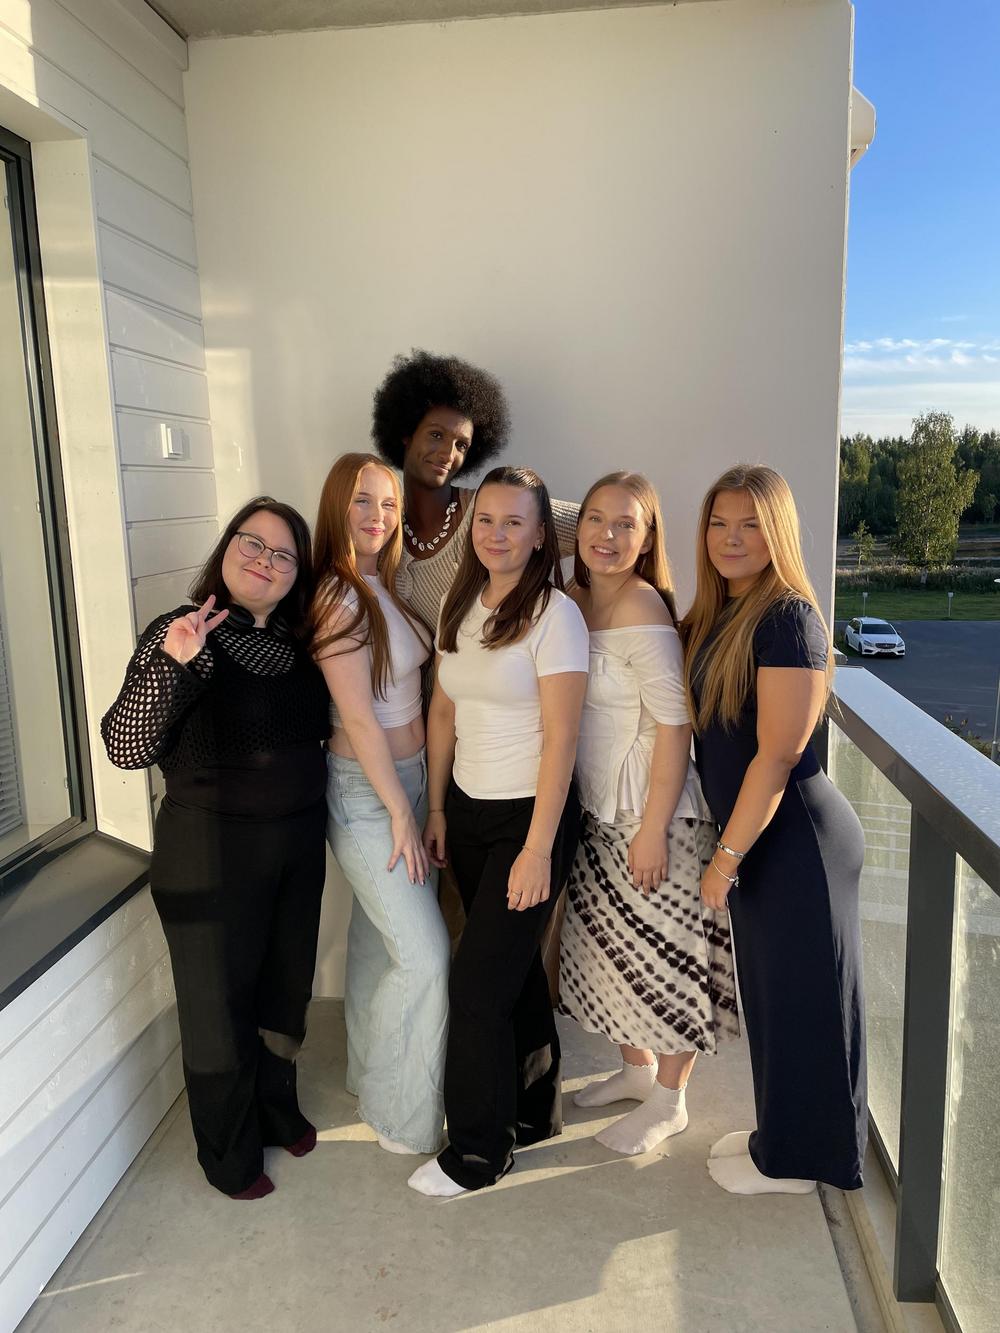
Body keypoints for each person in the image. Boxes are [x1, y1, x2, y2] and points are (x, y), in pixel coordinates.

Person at [101, 499, 330, 1200]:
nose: (264, 560)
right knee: (217, 1007)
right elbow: (125, 746)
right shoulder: (184, 630)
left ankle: (274, 1108)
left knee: (283, 987)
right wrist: (175, 664)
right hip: (210, 851)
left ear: (296, 573)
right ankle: (228, 1154)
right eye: (251, 543)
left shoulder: (297, 642)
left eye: (282, 554)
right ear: (226, 547)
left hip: (297, 843)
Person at [683, 464, 866, 1195]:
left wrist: (725, 858)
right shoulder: (723, 611)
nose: (731, 538)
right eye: (719, 522)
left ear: (778, 532)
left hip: (796, 841)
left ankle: (802, 1163)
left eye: (751, 525)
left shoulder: (787, 618)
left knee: (805, 1004)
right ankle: (779, 1140)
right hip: (762, 840)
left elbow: (779, 754)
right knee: (775, 999)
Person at [406, 466, 589, 1197]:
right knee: (512, 973)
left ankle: (479, 1154)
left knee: (477, 986)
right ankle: (534, 1111)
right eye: (486, 519)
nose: (497, 534)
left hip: (530, 816)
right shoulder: (461, 604)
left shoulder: (555, 615)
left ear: (541, 534)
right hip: (469, 810)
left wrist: (538, 848)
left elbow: (563, 737)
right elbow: (443, 711)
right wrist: (438, 809)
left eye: (515, 522)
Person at [559, 473, 739, 1156]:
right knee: (610, 953)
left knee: (668, 960)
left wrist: (654, 829)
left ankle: (670, 1100)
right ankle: (635, 1071)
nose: (606, 535)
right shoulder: (574, 597)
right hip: (598, 806)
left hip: (652, 813)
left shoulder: (643, 608)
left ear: (647, 536)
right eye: (594, 519)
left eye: (625, 523)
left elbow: (674, 725)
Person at [311, 453, 450, 1156]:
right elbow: (360, 720)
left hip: (411, 779)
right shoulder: (335, 597)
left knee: (375, 939)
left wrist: (423, 799)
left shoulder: (384, 586)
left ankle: (367, 1074)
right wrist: (399, 810)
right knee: (425, 957)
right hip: (369, 792)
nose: (378, 516)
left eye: (389, 503)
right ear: (337, 505)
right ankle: (400, 1115)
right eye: (363, 501)